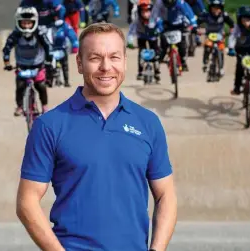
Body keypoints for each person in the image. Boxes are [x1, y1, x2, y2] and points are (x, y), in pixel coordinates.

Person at [16, 23, 177, 251]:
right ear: (80, 63)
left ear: (124, 62)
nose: (106, 67)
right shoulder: (49, 125)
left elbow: (166, 195)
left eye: (114, 57)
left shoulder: (148, 123)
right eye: (95, 58)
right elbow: (27, 202)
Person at [3, 7, 53, 116]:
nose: (26, 26)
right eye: (23, 23)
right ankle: (20, 106)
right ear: (18, 22)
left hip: (38, 65)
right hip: (22, 66)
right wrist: (6, 62)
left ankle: (44, 107)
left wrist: (49, 61)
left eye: (29, 23)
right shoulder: (16, 34)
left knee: (41, 86)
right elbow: (7, 48)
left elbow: (48, 47)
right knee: (20, 87)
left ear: (34, 22)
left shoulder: (39, 33)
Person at [151, 0, 198, 71]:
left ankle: (183, 61)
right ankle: (159, 61)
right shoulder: (159, 3)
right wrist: (152, 27)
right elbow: (154, 15)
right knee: (163, 45)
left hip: (179, 25)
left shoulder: (180, 2)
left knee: (182, 45)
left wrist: (194, 24)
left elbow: (189, 13)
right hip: (165, 26)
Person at [127, 0, 163, 81]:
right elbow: (131, 31)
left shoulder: (155, 18)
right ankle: (140, 72)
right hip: (141, 37)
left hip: (153, 37)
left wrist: (158, 31)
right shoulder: (137, 20)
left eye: (148, 11)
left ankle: (157, 71)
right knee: (141, 53)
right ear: (139, 12)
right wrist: (130, 41)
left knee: (156, 53)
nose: (146, 14)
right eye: (143, 11)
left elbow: (161, 26)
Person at [198, 0, 234, 76]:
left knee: (221, 50)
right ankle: (205, 62)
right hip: (209, 35)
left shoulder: (224, 15)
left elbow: (232, 24)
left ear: (221, 8)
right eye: (214, 8)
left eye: (218, 8)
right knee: (207, 47)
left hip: (220, 35)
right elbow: (197, 22)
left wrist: (232, 30)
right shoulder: (206, 15)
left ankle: (221, 68)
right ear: (210, 8)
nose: (216, 10)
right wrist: (197, 29)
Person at [47, 19, 79, 87]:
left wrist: (75, 45)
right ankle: (49, 81)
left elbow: (72, 35)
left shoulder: (65, 26)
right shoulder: (48, 26)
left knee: (65, 66)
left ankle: (66, 81)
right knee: (49, 65)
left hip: (62, 48)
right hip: (51, 49)